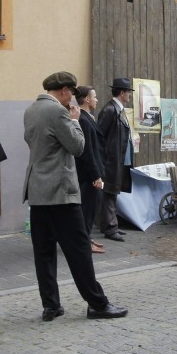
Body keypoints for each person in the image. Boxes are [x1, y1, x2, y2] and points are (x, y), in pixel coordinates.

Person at [23, 71, 128, 321]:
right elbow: (78, 147)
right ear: (64, 90)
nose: (71, 98)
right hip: (60, 191)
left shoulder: (31, 110)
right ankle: (97, 304)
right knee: (79, 250)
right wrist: (74, 121)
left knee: (44, 251)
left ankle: (51, 305)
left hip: (37, 190)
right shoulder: (59, 112)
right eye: (71, 92)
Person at [97, 77, 136, 242]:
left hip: (116, 160)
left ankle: (110, 225)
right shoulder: (110, 110)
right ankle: (111, 228)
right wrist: (105, 160)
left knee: (112, 193)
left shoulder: (117, 109)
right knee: (110, 193)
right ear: (122, 93)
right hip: (111, 160)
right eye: (128, 92)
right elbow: (100, 137)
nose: (130, 95)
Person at [75, 86, 105, 254]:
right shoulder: (84, 120)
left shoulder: (88, 117)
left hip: (92, 172)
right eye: (94, 96)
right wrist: (96, 175)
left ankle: (86, 238)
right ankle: (83, 242)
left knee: (89, 208)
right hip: (89, 174)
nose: (96, 99)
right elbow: (88, 151)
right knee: (87, 209)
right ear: (86, 99)